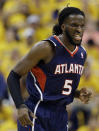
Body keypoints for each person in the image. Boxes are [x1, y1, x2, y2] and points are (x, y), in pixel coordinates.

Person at [7, 7, 92, 131]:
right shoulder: (46, 48)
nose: (79, 29)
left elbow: (56, 86)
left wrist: (77, 94)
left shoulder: (82, 54)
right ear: (63, 27)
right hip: (37, 111)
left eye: (82, 26)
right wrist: (20, 106)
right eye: (74, 25)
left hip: (61, 115)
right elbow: (13, 76)